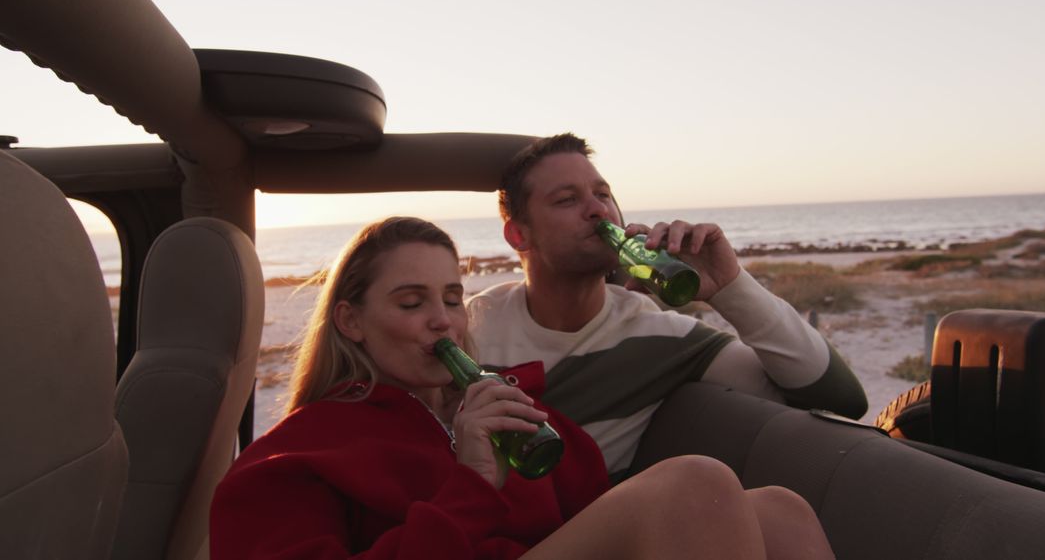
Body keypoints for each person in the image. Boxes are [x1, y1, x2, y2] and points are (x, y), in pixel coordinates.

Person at [210, 216, 835, 559]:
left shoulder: (511, 412)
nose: (442, 320)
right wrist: (473, 483)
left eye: (453, 298)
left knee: (780, 510)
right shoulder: (296, 456)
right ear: (351, 321)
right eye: (410, 302)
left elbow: (596, 520)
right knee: (693, 483)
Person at [468, 133, 868, 480]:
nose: (598, 210)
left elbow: (841, 400)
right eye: (567, 199)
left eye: (603, 194)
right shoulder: (470, 327)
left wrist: (729, 286)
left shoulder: (661, 336)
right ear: (518, 235)